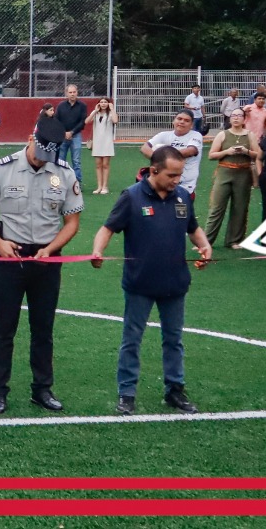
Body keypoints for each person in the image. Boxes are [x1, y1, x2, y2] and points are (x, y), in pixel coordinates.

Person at [0, 117, 84, 414]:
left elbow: (72, 221)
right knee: (4, 327)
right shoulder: (2, 169)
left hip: (47, 258)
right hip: (10, 256)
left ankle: (42, 389)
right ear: (31, 138)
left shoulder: (63, 173)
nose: (42, 160)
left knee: (43, 328)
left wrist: (51, 248)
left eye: (48, 157)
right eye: (39, 153)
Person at [90, 145, 213, 415]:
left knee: (174, 340)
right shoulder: (131, 197)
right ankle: (127, 393)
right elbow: (107, 229)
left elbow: (193, 228)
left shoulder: (182, 196)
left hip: (175, 283)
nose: (177, 180)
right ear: (154, 171)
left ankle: (175, 390)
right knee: (132, 339)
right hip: (140, 284)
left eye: (180, 175)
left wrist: (205, 246)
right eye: (172, 175)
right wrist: (97, 251)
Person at [204, 109, 259, 248]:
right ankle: (206, 241)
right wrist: (227, 152)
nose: (236, 118)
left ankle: (234, 240)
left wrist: (246, 151)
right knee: (217, 207)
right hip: (224, 172)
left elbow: (258, 155)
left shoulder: (250, 135)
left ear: (244, 119)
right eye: (233, 115)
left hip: (243, 174)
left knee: (240, 207)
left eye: (239, 115)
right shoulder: (223, 134)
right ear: (230, 119)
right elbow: (211, 155)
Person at [141, 112, 204, 201]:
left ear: (191, 125)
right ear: (173, 121)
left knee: (181, 210)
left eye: (186, 120)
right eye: (179, 119)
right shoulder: (163, 135)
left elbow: (191, 151)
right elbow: (144, 148)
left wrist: (164, 158)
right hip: (163, 184)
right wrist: (159, 159)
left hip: (185, 187)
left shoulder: (196, 135)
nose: (182, 122)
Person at [55, 85, 89, 190]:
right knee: (61, 160)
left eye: (74, 92)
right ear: (66, 93)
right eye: (70, 92)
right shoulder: (61, 106)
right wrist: (64, 133)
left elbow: (82, 122)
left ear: (77, 92)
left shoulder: (82, 106)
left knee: (76, 161)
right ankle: (60, 183)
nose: (72, 94)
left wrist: (72, 132)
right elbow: (56, 120)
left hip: (76, 136)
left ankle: (77, 183)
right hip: (62, 136)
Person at [90, 97, 118, 195]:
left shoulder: (110, 113)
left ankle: (105, 186)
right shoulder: (95, 113)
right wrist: (95, 111)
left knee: (105, 165)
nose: (103, 104)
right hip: (97, 142)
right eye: (101, 102)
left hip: (107, 142)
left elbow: (115, 120)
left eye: (105, 102)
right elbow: (87, 121)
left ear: (108, 103)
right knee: (98, 165)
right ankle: (99, 186)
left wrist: (112, 109)